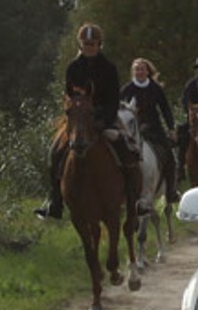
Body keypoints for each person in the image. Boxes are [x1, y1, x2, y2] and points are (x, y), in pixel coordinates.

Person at [36, 22, 129, 220]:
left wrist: (103, 120)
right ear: (81, 45)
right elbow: (69, 96)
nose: (90, 48)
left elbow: (113, 99)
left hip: (104, 116)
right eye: (86, 44)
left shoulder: (109, 68)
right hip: (77, 119)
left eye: (93, 44)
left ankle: (132, 196)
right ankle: (55, 201)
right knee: (55, 150)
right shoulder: (73, 67)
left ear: (99, 45)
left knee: (126, 146)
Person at [120, 56, 178, 205]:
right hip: (133, 130)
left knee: (170, 156)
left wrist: (171, 128)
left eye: (142, 69)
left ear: (147, 71)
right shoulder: (127, 89)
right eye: (136, 69)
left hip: (154, 129)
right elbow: (119, 110)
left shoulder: (155, 88)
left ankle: (171, 191)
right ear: (133, 72)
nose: (139, 72)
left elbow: (165, 109)